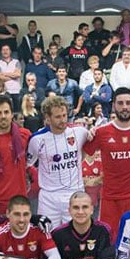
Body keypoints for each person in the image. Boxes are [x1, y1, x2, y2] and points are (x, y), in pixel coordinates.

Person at [83, 88, 130, 239]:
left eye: (128, 103)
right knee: (110, 244)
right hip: (110, 199)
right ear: (113, 106)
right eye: (120, 103)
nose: (124, 106)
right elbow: (83, 154)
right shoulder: (101, 132)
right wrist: (86, 132)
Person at [27, 96, 89, 226]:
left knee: (76, 237)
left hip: (75, 194)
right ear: (48, 118)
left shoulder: (80, 132)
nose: (63, 120)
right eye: (58, 117)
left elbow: (88, 151)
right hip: (49, 197)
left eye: (64, 115)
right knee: (46, 235)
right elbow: (26, 164)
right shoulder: (37, 139)